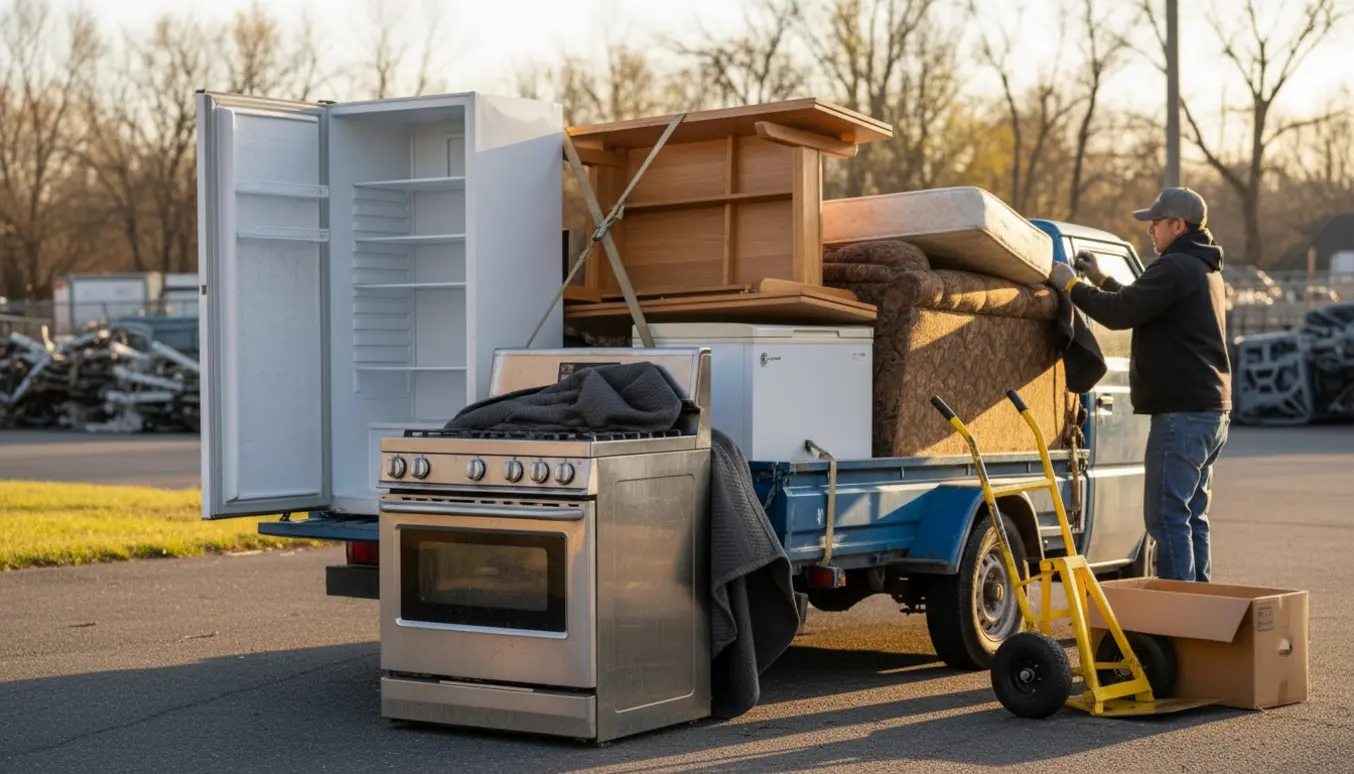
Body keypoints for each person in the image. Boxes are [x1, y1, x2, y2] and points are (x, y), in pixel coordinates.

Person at [1049, 187, 1231, 583]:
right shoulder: (1202, 268)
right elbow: (1140, 304)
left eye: (1156, 222)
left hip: (1182, 415)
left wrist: (1070, 286)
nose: (1150, 229)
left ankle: (1178, 618)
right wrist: (1101, 278)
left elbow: (1120, 313)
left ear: (1178, 225)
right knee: (1191, 517)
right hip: (1210, 413)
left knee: (1166, 518)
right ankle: (1203, 614)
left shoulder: (1176, 267)